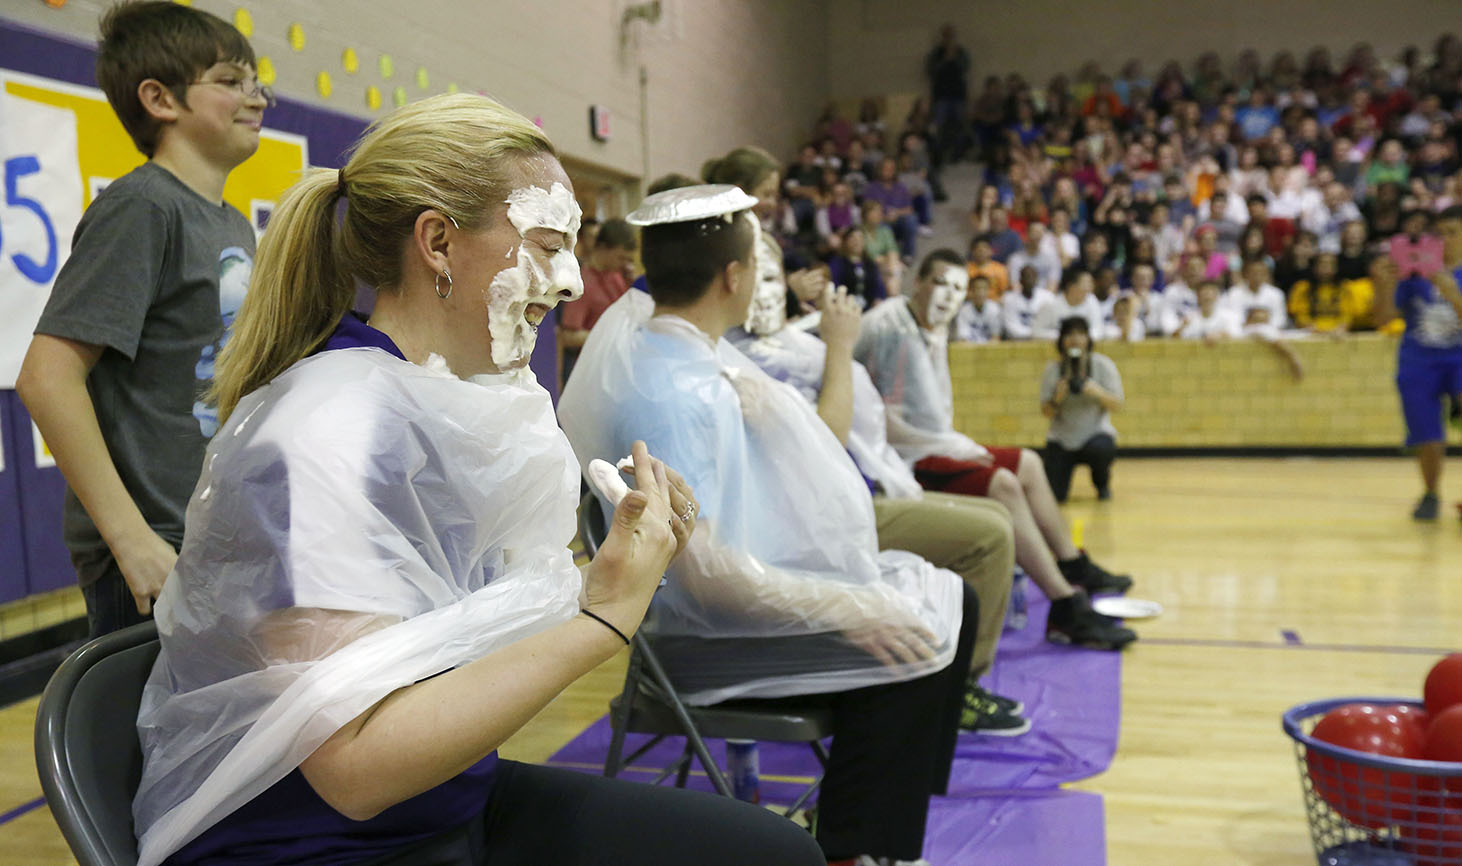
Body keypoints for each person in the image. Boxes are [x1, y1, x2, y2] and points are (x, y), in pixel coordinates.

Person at [125, 95, 826, 866]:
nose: (569, 283)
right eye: (548, 245)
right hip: (321, 847)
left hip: (443, 800)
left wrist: (604, 579)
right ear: (437, 242)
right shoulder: (326, 432)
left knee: (771, 853)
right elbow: (355, 770)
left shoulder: (441, 406)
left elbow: (457, 639)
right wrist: (602, 617)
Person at [560, 186, 976, 864]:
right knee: (919, 637)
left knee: (948, 602)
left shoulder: (689, 356)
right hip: (699, 639)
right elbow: (708, 582)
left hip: (728, 608)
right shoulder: (676, 391)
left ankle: (875, 829)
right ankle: (852, 848)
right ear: (734, 276)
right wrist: (849, 608)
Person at [16, 1, 266, 639]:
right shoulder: (144, 207)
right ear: (160, 99)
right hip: (156, 551)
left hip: (214, 537)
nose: (257, 98)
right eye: (231, 81)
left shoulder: (233, 224)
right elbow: (47, 378)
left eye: (256, 82)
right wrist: (132, 541)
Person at [731, 227, 1023, 735]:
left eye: (778, 279)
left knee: (998, 513)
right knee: (992, 534)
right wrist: (839, 345)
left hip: (857, 489)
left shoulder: (786, 344)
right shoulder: (747, 358)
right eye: (765, 279)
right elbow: (826, 440)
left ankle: (966, 667)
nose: (773, 292)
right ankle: (958, 688)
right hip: (816, 520)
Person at [853, 250, 1137, 650]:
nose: (948, 295)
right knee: (1003, 483)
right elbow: (889, 420)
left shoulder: (929, 327)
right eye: (939, 283)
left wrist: (957, 445)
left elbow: (926, 418)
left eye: (958, 288)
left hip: (926, 445)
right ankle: (1064, 604)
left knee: (1030, 463)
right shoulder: (890, 329)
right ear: (918, 283)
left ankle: (1072, 564)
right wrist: (959, 448)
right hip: (896, 460)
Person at [1372, 205, 1462, 520]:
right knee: (1427, 433)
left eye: (1453, 232)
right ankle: (1430, 493)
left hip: (1459, 356)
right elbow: (1384, 319)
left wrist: (1452, 292)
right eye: (1441, 233)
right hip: (1419, 359)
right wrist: (1383, 285)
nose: (1446, 239)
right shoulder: (1414, 274)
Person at [1041, 318, 1124, 502]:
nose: (1075, 339)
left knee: (1101, 450)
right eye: (1069, 334)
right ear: (1061, 340)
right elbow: (1046, 412)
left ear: (1088, 338)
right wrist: (1056, 399)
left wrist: (1098, 393)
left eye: (1080, 334)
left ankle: (1102, 482)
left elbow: (1117, 404)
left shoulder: (1103, 365)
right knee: (1055, 496)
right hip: (1062, 439)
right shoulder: (1052, 370)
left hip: (1095, 434)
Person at [557, 217, 637, 379]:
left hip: (618, 364)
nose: (624, 264)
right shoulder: (583, 282)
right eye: (620, 257)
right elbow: (568, 336)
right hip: (594, 370)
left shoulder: (616, 275)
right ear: (603, 248)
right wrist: (610, 335)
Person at [1032, 268, 1104, 340]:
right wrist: (1064, 336)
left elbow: (1098, 329)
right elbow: (1036, 331)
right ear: (1071, 286)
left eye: (1091, 283)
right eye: (1087, 283)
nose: (1090, 287)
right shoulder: (1051, 304)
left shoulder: (1092, 301)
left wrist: (1080, 337)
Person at [827, 225, 888, 309]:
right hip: (845, 309)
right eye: (853, 238)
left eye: (860, 238)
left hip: (870, 309)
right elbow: (834, 287)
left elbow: (879, 287)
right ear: (845, 241)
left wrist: (879, 299)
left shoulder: (870, 264)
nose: (857, 241)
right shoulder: (837, 263)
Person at [1001, 264, 1055, 341]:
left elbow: (1052, 326)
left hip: (1043, 341)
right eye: (1027, 277)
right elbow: (1011, 328)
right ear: (1020, 280)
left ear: (1037, 279)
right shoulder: (1009, 299)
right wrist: (1036, 333)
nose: (1030, 280)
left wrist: (1039, 334)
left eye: (1032, 276)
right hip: (1017, 342)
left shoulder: (1048, 297)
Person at [955, 275, 1003, 343]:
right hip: (969, 348)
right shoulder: (963, 310)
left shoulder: (995, 309)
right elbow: (963, 339)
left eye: (984, 288)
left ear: (989, 291)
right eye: (977, 288)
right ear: (970, 291)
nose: (981, 292)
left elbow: (996, 337)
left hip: (990, 348)